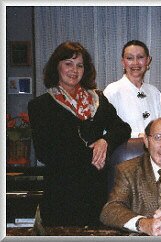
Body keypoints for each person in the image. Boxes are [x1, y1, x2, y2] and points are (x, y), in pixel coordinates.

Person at [28, 41, 131, 226]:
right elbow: (44, 152)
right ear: (56, 66)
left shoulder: (97, 99)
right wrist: (91, 155)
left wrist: (104, 141)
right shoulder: (40, 105)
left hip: (97, 192)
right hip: (61, 194)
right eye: (68, 63)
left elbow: (123, 128)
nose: (74, 70)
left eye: (79, 65)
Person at [103, 40, 161, 138]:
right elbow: (106, 130)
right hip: (123, 151)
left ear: (148, 60)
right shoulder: (112, 91)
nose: (135, 63)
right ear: (123, 62)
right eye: (130, 58)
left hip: (154, 151)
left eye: (140, 57)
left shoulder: (154, 92)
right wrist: (138, 136)